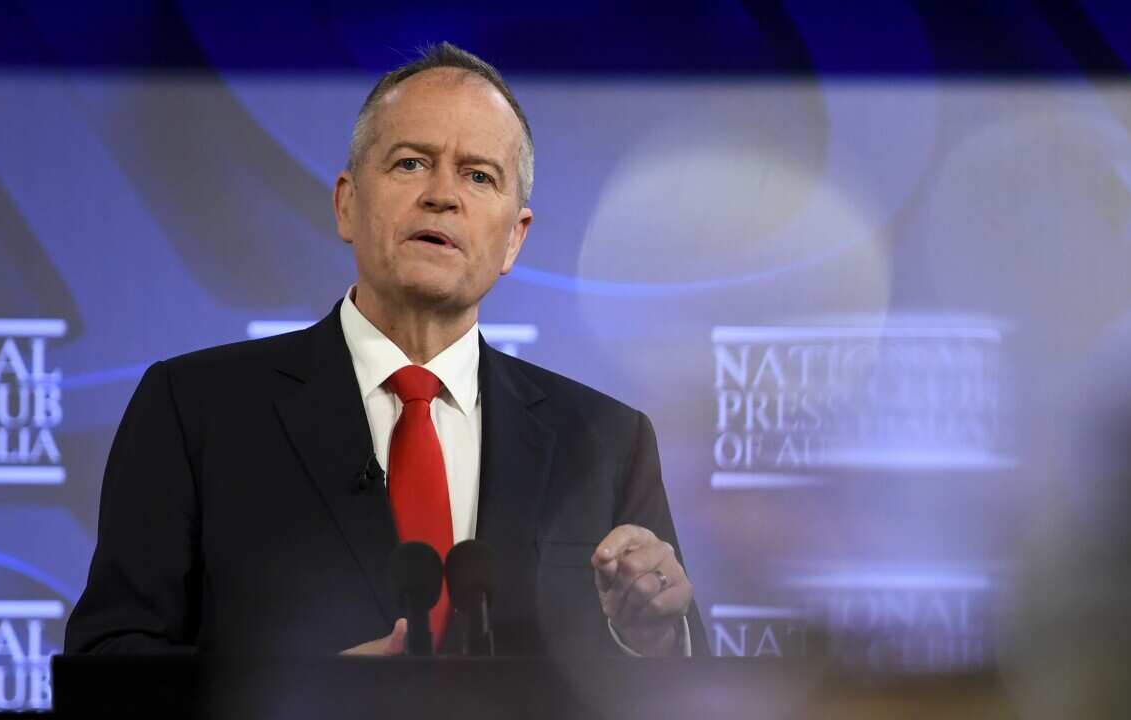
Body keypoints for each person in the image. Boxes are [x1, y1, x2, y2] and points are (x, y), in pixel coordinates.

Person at [65, 42, 707, 658]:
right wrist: (313, 695)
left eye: (479, 175)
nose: (442, 194)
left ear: (515, 238)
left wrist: (653, 643)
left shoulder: (606, 442)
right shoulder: (194, 412)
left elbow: (692, 693)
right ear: (347, 204)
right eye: (410, 163)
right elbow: (109, 664)